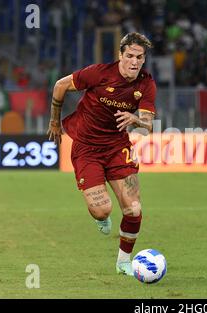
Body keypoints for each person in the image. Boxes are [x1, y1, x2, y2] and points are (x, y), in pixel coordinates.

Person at [47, 32, 156, 276]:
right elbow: (60, 85)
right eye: (129, 56)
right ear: (120, 56)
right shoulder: (99, 73)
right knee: (102, 209)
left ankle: (124, 262)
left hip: (118, 148)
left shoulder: (146, 84)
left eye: (139, 57)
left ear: (144, 59)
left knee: (134, 208)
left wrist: (136, 119)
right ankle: (101, 217)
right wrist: (55, 121)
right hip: (87, 149)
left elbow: (149, 123)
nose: (134, 62)